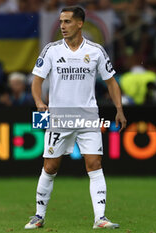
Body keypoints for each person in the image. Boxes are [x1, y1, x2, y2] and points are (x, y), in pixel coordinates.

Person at [25, 6, 127, 230]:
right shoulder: (51, 50)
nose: (62, 26)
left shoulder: (96, 51)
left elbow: (111, 82)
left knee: (94, 164)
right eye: (61, 21)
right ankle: (38, 216)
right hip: (59, 118)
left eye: (67, 22)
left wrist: (119, 109)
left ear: (80, 24)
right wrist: (39, 102)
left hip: (88, 117)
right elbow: (37, 81)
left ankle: (100, 218)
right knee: (50, 167)